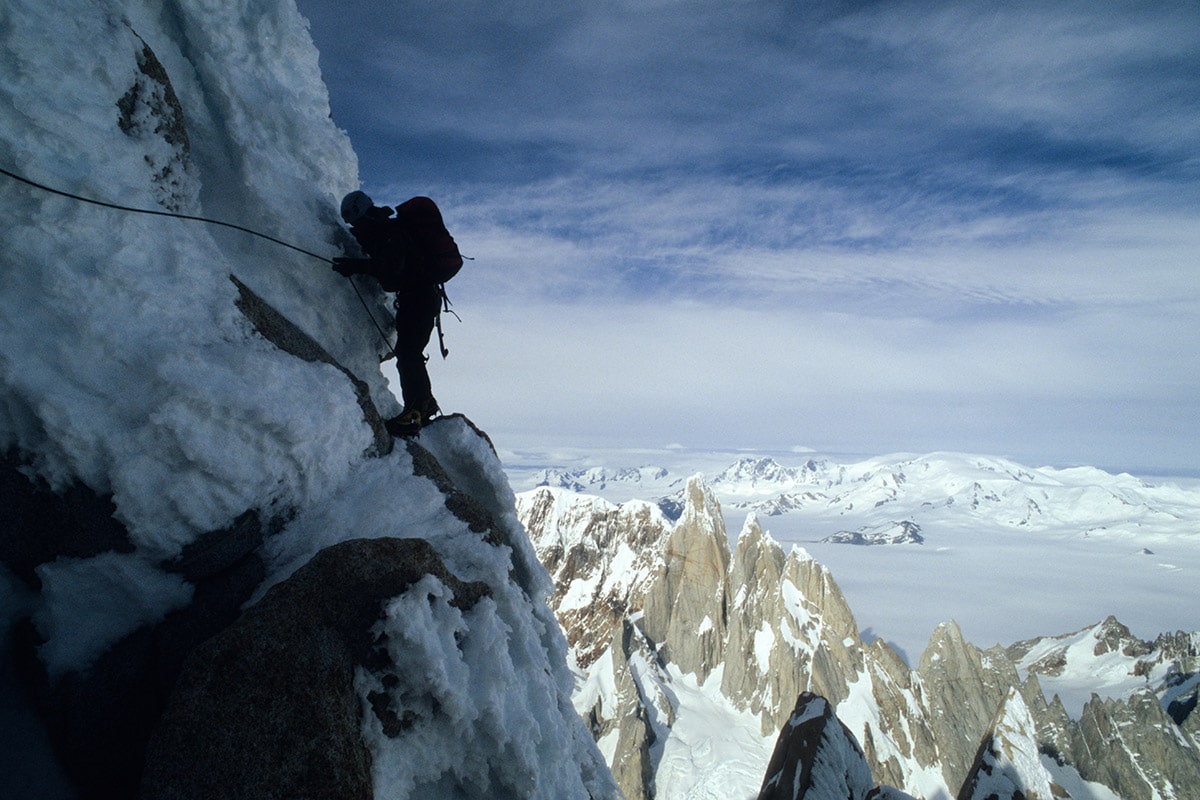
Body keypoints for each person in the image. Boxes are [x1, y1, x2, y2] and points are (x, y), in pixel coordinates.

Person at [334, 191, 463, 436]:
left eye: (357, 221)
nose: (356, 226)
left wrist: (357, 267)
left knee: (408, 353)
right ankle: (422, 405)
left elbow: (391, 275)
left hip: (418, 298)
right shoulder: (388, 228)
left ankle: (416, 411)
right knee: (409, 353)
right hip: (421, 297)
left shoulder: (388, 232)